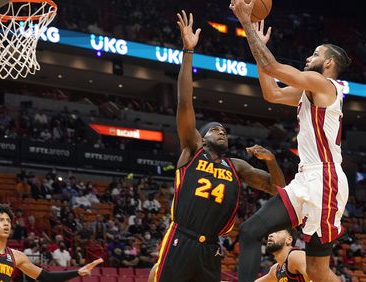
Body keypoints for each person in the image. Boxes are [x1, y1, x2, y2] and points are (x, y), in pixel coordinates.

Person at [150, 11, 286, 282]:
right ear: (201, 137)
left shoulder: (237, 166)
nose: (222, 132)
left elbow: (279, 190)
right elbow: (185, 102)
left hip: (211, 247)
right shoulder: (192, 150)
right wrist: (188, 52)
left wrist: (271, 161)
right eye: (215, 129)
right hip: (181, 238)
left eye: (224, 131)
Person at [230, 2, 352, 281]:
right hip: (304, 180)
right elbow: (271, 93)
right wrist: (255, 43)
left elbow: (272, 66)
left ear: (329, 63)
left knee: (317, 273)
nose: (309, 57)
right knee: (250, 232)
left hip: (326, 180)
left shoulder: (325, 85)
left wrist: (247, 23)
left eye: (316, 54)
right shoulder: (306, 90)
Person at [0, 204, 103, 282]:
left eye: (8, 221)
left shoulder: (16, 256)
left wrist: (78, 272)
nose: (6, 223)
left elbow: (46, 277)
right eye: (0, 220)